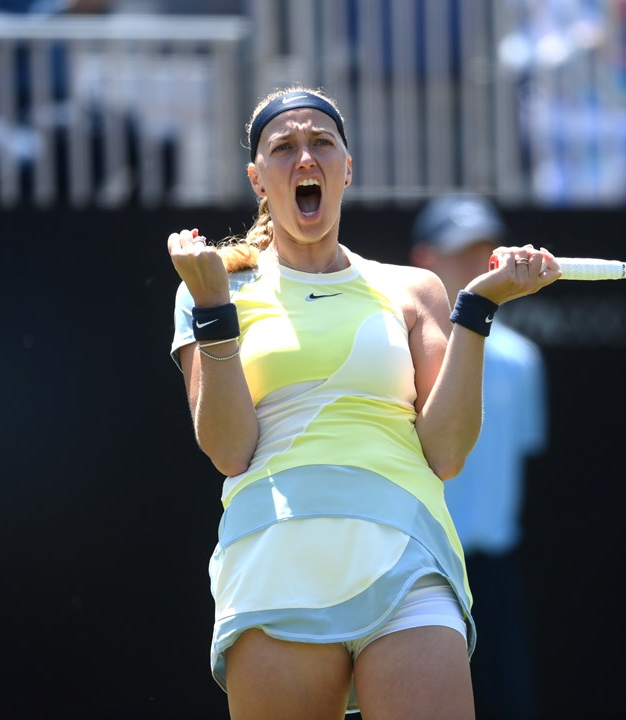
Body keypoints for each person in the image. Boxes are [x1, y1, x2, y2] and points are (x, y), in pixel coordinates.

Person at [165, 84, 560, 719]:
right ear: (257, 178)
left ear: (347, 169)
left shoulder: (415, 289)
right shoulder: (217, 287)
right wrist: (212, 311)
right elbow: (229, 450)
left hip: (408, 558)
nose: (305, 159)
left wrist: (478, 308)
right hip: (276, 563)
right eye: (283, 147)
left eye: (321, 143)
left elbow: (447, 451)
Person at [409, 194, 548, 720]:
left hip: (492, 573)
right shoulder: (398, 352)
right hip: (419, 569)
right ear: (426, 260)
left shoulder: (522, 361)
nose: (475, 266)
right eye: (459, 253)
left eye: (483, 252)